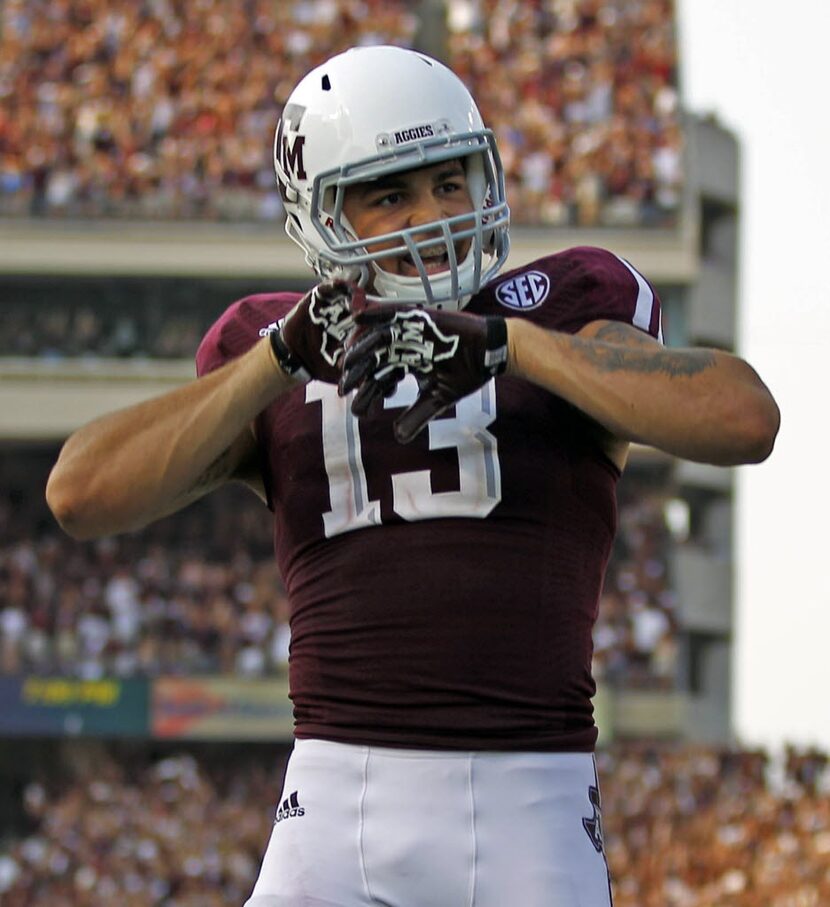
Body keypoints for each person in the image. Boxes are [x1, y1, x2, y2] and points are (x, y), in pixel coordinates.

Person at [46, 45, 780, 907]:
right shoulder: (273, 344)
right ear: (323, 214)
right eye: (390, 193)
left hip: (530, 803)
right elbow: (79, 494)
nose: (432, 212)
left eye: (449, 180)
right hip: (333, 802)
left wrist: (514, 348)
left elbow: (745, 419)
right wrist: (277, 362)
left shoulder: (562, 310)